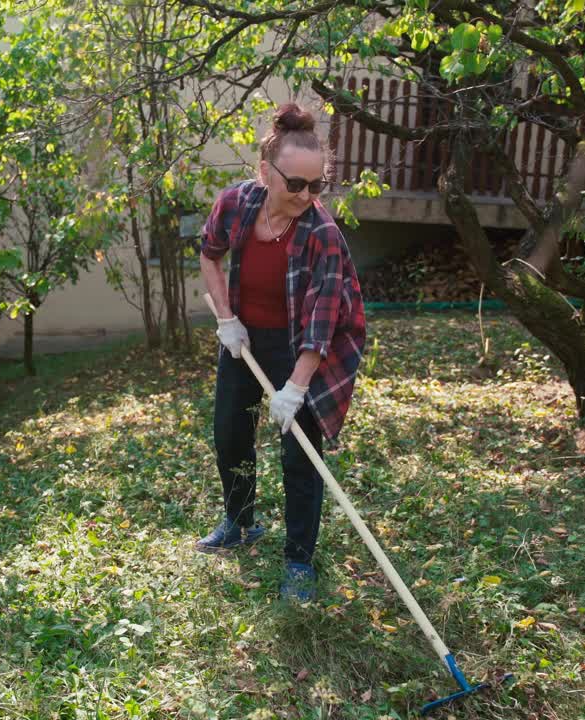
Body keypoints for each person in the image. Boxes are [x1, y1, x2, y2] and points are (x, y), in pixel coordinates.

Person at [196, 102, 366, 603]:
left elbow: (323, 321)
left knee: (300, 456)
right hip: (246, 339)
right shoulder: (237, 205)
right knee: (230, 432)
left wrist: (295, 387)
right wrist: (227, 319)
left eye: (316, 186)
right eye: (296, 184)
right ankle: (241, 522)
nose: (306, 196)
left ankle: (298, 561)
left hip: (306, 349)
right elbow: (209, 253)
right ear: (266, 172)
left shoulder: (323, 234)